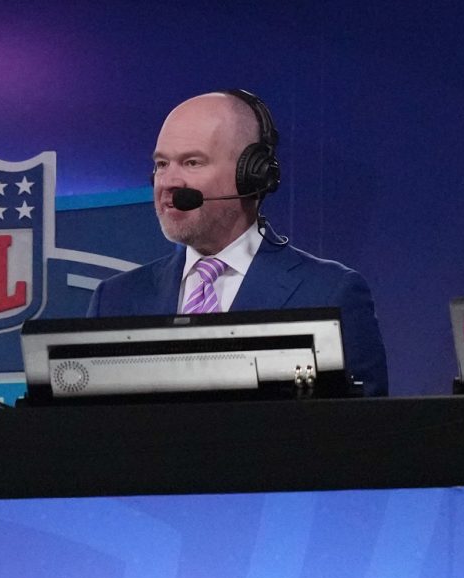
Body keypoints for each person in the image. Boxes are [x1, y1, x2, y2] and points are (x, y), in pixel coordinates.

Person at [89, 90, 389, 396]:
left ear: (251, 175)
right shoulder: (114, 299)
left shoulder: (330, 292)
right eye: (162, 164)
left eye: (192, 163)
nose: (168, 183)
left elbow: (365, 433)